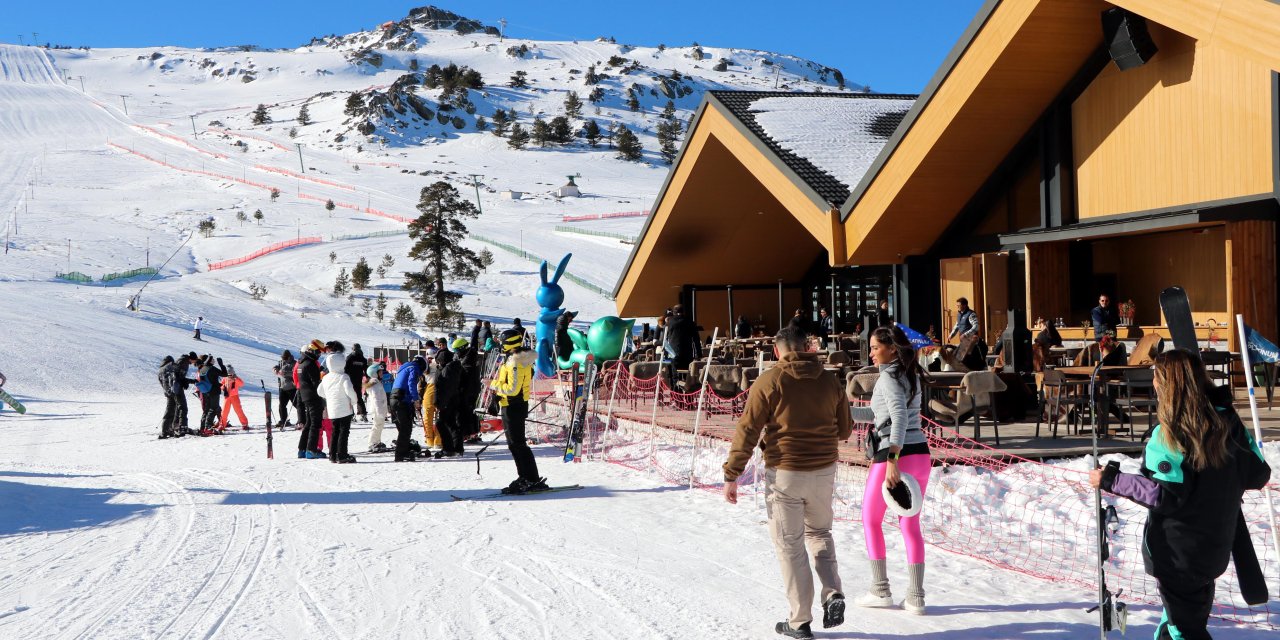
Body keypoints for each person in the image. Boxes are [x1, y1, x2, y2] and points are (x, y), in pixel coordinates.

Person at [1091, 349, 1271, 640]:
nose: (1153, 384)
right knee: (1176, 623)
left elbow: (1165, 496)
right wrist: (1233, 421)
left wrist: (1112, 480)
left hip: (1177, 555)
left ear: (1167, 384)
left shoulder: (1168, 435)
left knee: (1184, 631)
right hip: (1212, 550)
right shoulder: (1228, 427)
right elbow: (1258, 473)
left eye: (1155, 377)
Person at [722, 326, 852, 639]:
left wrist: (732, 473)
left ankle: (799, 620)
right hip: (823, 471)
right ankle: (833, 592)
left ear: (777, 351)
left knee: (791, 546)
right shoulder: (830, 380)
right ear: (807, 347)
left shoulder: (770, 380)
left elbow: (748, 429)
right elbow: (845, 430)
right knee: (820, 532)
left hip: (785, 473)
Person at [857, 325, 932, 615]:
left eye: (876, 347)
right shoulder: (910, 374)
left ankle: (880, 589)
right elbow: (886, 415)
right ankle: (916, 596)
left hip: (895, 455)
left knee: (870, 520)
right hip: (921, 455)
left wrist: (892, 459)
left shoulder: (888, 378)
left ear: (891, 348)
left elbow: (898, 416)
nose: (872, 353)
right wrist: (846, 411)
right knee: (910, 525)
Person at [492, 345, 547, 494]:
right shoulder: (516, 360)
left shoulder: (515, 362)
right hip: (510, 405)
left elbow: (513, 389)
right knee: (514, 444)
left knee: (518, 444)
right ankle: (526, 476)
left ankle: (530, 478)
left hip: (513, 407)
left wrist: (492, 384)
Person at [319, 352, 360, 463]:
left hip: (332, 409)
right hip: (345, 408)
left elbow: (320, 391)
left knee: (335, 431)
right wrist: (353, 401)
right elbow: (350, 391)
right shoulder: (343, 377)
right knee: (344, 432)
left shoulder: (326, 377)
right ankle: (342, 455)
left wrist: (329, 397)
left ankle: (332, 455)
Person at [390, 355, 425, 462]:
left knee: (402, 428)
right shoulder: (414, 368)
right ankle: (401, 454)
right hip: (401, 399)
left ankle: (404, 449)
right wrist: (416, 400)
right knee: (406, 428)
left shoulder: (403, 368)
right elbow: (411, 384)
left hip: (393, 398)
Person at [296, 340, 326, 459]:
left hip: (305, 395)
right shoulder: (311, 364)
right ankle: (311, 450)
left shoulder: (301, 363)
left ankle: (302, 449)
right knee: (315, 423)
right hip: (313, 396)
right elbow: (316, 383)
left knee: (309, 423)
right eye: (318, 352)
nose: (319, 355)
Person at [434, 349, 464, 458]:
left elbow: (444, 388)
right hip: (453, 399)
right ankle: (457, 447)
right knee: (451, 423)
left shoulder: (448, 369)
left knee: (441, 423)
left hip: (447, 401)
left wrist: (440, 403)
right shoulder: (454, 367)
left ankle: (448, 448)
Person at [665, 304, 702, 382]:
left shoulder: (669, 322)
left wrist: (666, 353)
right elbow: (696, 339)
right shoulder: (690, 322)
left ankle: (676, 391)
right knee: (686, 376)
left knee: (675, 376)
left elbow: (665, 339)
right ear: (683, 312)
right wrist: (699, 354)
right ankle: (686, 391)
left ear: (674, 312)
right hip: (687, 353)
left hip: (673, 352)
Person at [196, 355, 227, 434]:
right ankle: (208, 427)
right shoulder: (211, 368)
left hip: (206, 391)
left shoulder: (203, 369)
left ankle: (203, 427)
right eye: (212, 359)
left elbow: (207, 380)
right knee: (213, 409)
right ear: (209, 360)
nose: (214, 360)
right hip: (214, 391)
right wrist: (221, 365)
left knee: (207, 409)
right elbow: (224, 374)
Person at [365, 362, 392, 452]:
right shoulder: (375, 384)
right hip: (377, 409)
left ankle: (377, 441)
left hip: (380, 409)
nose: (382, 374)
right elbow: (376, 399)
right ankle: (372, 443)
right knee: (377, 426)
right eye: (380, 372)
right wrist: (379, 411)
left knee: (379, 426)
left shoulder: (376, 382)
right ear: (374, 373)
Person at [418, 349, 441, 450]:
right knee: (439, 417)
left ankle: (430, 440)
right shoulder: (439, 364)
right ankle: (438, 441)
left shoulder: (425, 367)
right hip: (439, 389)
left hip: (429, 390)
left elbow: (421, 385)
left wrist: (419, 397)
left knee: (428, 416)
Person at [218, 365, 249, 430]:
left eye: (231, 373)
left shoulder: (235, 378)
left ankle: (245, 424)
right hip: (227, 397)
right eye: (228, 374)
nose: (230, 375)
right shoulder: (225, 378)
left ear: (233, 373)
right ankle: (222, 424)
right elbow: (221, 384)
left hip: (235, 396)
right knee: (224, 411)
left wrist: (235, 378)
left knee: (239, 411)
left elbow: (241, 384)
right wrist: (224, 388)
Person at [274, 350, 297, 428]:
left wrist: (285, 373)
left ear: (288, 357)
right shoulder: (281, 362)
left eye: (284, 358)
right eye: (282, 357)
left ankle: (303, 419)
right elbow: (277, 366)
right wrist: (275, 369)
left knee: (297, 405)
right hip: (282, 387)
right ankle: (283, 421)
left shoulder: (294, 363)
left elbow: (295, 373)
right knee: (282, 405)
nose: (283, 359)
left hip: (292, 388)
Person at [346, 344, 369, 422]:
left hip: (350, 380)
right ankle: (364, 414)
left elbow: (345, 369)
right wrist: (367, 378)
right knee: (359, 397)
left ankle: (351, 415)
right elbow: (366, 371)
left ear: (353, 349)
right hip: (358, 381)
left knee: (349, 397)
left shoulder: (350, 357)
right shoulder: (363, 359)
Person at [157, 356, 178, 439]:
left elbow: (161, 382)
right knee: (171, 411)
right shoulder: (168, 368)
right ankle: (166, 430)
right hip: (171, 392)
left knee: (170, 410)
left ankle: (167, 429)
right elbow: (172, 379)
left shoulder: (160, 370)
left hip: (167, 392)